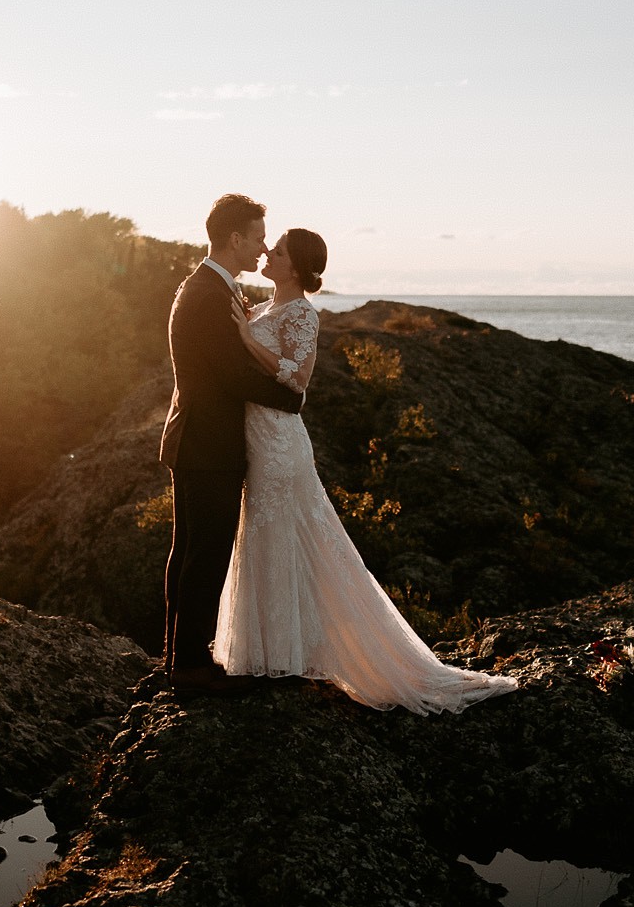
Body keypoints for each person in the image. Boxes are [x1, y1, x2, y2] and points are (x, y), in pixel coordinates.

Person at [214, 227, 519, 714]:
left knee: (281, 535)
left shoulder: (301, 315)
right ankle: (268, 653)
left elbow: (297, 377)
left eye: (280, 250)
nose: (268, 252)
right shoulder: (264, 309)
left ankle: (292, 658)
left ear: (295, 266)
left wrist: (248, 339)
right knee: (262, 536)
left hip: (280, 443)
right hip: (255, 440)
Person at [159, 194, 305, 695]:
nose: (264, 247)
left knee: (189, 552)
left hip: (197, 438)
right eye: (260, 238)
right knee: (205, 552)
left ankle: (177, 657)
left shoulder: (208, 287)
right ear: (236, 239)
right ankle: (190, 666)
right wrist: (292, 399)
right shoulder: (206, 293)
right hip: (207, 443)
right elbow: (233, 374)